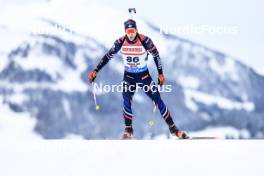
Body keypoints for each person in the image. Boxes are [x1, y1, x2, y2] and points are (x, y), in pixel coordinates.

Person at [88, 19, 189, 139]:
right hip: (129, 76)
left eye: (133, 31)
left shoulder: (145, 41)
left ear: (136, 30)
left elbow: (156, 56)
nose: (130, 34)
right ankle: (128, 130)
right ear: (125, 31)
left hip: (144, 76)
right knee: (126, 100)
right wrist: (96, 70)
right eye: (128, 31)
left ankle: (173, 129)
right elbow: (107, 57)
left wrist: (160, 74)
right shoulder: (120, 42)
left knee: (157, 100)